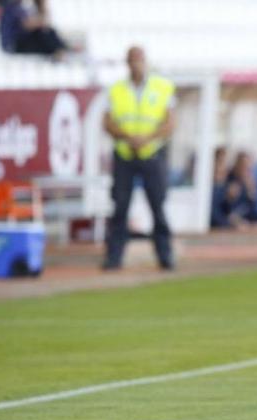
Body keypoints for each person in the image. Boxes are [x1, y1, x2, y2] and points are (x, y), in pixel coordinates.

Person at [102, 46, 176, 271]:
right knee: (120, 207)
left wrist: (146, 138)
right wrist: (128, 138)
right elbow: (107, 122)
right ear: (127, 63)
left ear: (145, 62)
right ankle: (114, 257)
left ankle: (165, 255)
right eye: (132, 60)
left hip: (152, 154)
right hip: (125, 154)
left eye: (139, 60)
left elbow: (170, 122)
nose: (136, 64)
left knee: (157, 206)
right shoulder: (116, 90)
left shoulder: (162, 87)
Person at [0, 0, 66, 58]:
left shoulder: (21, 7)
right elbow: (27, 25)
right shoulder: (12, 8)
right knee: (43, 34)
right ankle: (60, 51)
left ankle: (61, 50)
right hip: (13, 45)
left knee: (48, 32)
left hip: (21, 41)